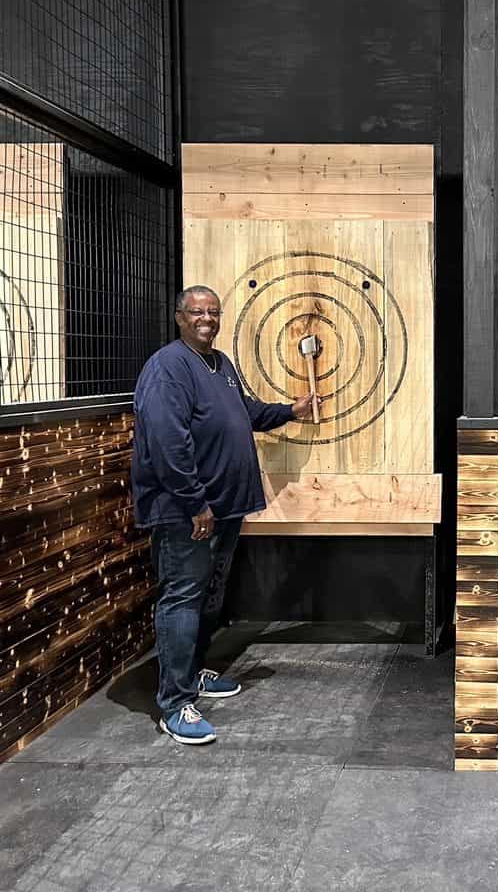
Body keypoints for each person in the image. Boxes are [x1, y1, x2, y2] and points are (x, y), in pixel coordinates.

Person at [132, 285, 317, 745]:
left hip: (223, 509)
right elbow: (166, 441)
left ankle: (192, 676)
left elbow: (247, 413)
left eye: (213, 312)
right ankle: (174, 704)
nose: (206, 319)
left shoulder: (221, 365)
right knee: (182, 598)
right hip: (188, 511)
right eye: (197, 312)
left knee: (207, 596)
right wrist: (195, 502)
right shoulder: (168, 367)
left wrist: (291, 410)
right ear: (179, 317)